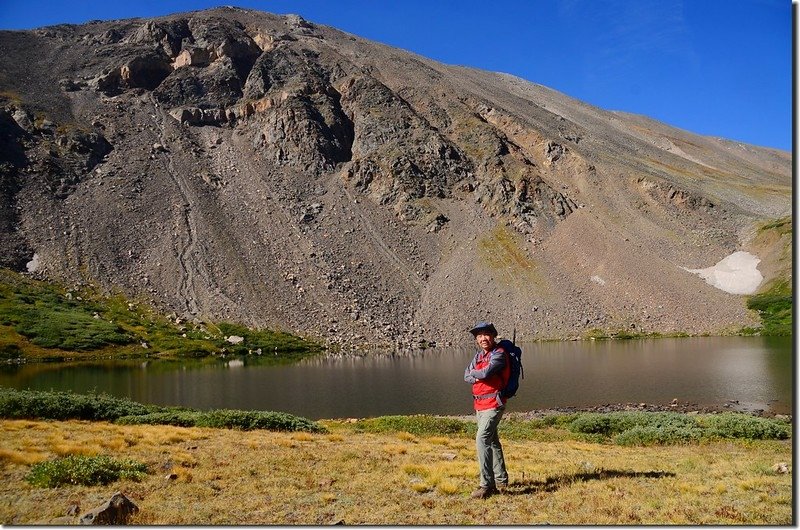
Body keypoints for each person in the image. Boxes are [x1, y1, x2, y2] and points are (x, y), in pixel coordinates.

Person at [464, 321, 510, 499]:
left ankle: (486, 485)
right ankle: (501, 479)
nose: (483, 338)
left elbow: (483, 374)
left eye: (486, 334)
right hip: (480, 405)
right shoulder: (479, 356)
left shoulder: (499, 355)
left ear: (493, 336)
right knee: (492, 441)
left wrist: (475, 373)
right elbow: (465, 375)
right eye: (479, 335)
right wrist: (476, 373)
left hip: (494, 404)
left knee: (482, 439)